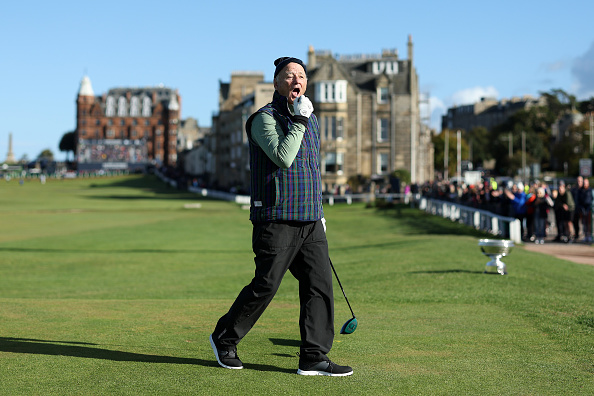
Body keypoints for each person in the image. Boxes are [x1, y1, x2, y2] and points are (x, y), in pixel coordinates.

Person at [209, 57, 353, 377]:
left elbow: (311, 170)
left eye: (301, 76)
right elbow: (284, 158)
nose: (295, 80)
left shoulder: (309, 120)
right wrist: (300, 121)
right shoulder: (264, 119)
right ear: (277, 83)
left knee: (319, 285)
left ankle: (313, 355)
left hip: (310, 218)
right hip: (276, 218)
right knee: (266, 285)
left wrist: (320, 212)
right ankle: (224, 338)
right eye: (289, 76)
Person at [577, 178, 592, 244]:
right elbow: (579, 200)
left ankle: (589, 236)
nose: (585, 184)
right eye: (584, 182)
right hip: (583, 209)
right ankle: (585, 235)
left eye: (586, 182)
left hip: (589, 209)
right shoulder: (581, 191)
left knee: (589, 223)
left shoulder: (590, 190)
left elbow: (591, 199)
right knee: (584, 223)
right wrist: (581, 207)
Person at [570, 176, 583, 241]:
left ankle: (586, 235)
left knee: (585, 223)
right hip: (575, 208)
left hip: (582, 208)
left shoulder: (583, 189)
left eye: (580, 181)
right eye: (578, 181)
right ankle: (576, 234)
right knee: (575, 222)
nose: (579, 182)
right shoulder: (573, 189)